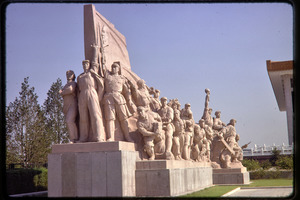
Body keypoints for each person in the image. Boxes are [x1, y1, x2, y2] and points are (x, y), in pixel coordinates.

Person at [103, 62, 135, 142]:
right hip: (109, 98)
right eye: (112, 67)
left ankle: (127, 137)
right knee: (110, 119)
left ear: (118, 69)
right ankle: (111, 137)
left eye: (115, 67)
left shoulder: (122, 78)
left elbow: (127, 90)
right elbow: (102, 65)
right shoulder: (107, 76)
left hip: (119, 98)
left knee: (123, 119)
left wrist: (129, 100)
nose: (113, 68)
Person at [77, 60, 105, 142]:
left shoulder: (92, 73)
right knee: (83, 117)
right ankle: (83, 137)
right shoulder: (80, 76)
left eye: (86, 64)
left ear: (89, 65)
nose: (85, 65)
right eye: (84, 64)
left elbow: (101, 84)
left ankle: (99, 136)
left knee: (95, 115)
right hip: (82, 94)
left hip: (92, 92)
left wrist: (99, 96)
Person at [59, 70, 78, 143]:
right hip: (66, 105)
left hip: (73, 105)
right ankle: (73, 138)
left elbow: (70, 90)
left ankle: (74, 138)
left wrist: (62, 92)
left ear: (73, 75)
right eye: (67, 74)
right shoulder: (66, 85)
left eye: (70, 74)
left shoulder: (73, 83)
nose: (68, 75)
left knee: (69, 120)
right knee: (70, 122)